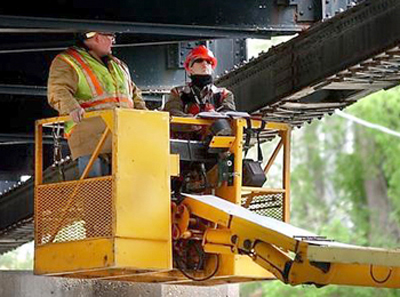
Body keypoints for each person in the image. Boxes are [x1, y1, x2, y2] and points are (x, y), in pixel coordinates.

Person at [47, 31, 147, 177]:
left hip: (125, 137)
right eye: (110, 37)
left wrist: (146, 116)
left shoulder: (119, 65)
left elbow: (134, 94)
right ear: (97, 37)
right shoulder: (68, 60)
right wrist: (72, 108)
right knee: (97, 191)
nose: (113, 41)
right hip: (91, 137)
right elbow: (58, 89)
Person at [164, 45, 235, 117]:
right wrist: (191, 121)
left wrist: (215, 115)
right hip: (186, 128)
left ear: (212, 69)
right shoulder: (178, 93)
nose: (204, 64)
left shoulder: (224, 94)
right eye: (199, 60)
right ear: (190, 68)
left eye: (208, 62)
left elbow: (229, 115)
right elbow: (172, 113)